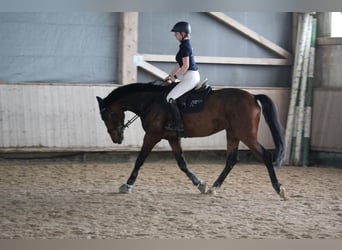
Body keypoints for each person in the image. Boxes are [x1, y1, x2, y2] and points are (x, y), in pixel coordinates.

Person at [165, 21, 200, 132]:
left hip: (190, 77)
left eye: (176, 33)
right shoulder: (184, 45)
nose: (175, 35)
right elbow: (178, 64)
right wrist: (169, 75)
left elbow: (185, 66)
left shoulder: (185, 46)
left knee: (170, 98)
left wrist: (174, 77)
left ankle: (178, 124)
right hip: (190, 76)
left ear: (183, 33)